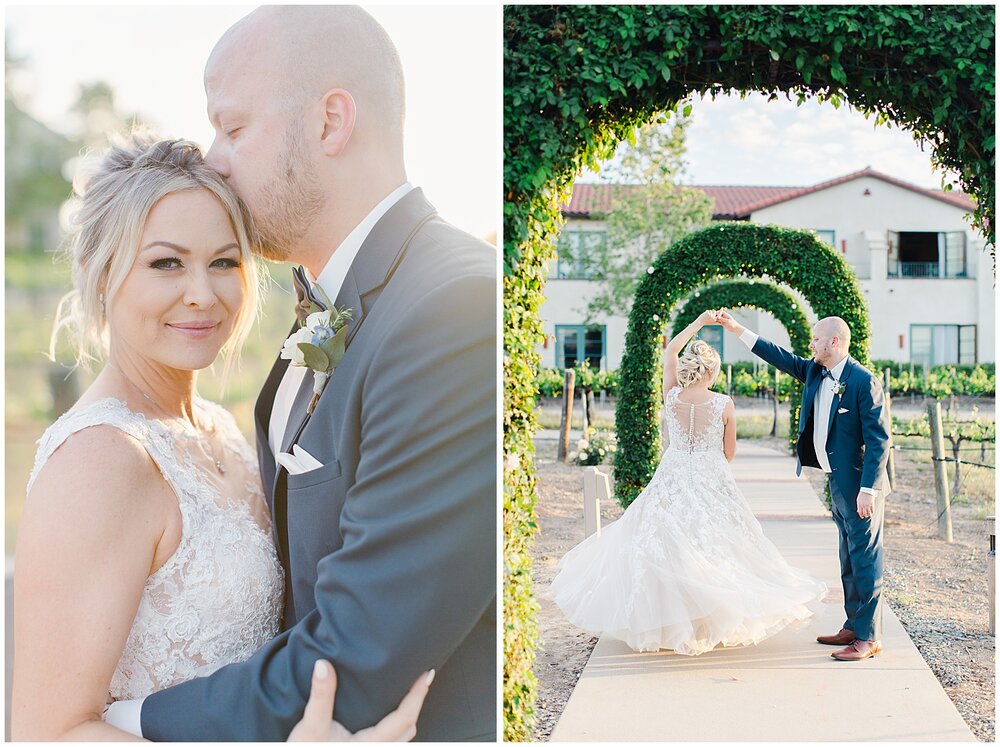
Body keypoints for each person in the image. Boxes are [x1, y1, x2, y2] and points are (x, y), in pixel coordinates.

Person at [103, 6, 496, 741]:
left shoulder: (456, 307)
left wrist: (126, 720)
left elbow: (359, 649)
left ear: (330, 122)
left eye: (235, 126)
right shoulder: (332, 301)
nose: (214, 158)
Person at [11, 135, 430, 740]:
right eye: (165, 263)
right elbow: (48, 734)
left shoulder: (222, 428)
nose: (202, 295)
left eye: (224, 262)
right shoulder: (99, 460)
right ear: (103, 274)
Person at [551, 310, 826, 655]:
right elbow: (729, 452)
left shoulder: (671, 397)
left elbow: (669, 354)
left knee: (667, 542)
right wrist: (710, 467)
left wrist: (698, 322)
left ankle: (670, 622)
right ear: (712, 371)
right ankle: (708, 620)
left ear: (688, 367)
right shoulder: (724, 404)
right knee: (717, 542)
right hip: (712, 473)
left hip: (673, 471)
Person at [716, 310, 891, 661]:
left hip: (860, 487)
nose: (810, 345)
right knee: (847, 557)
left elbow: (879, 440)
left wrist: (867, 490)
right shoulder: (815, 370)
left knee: (865, 558)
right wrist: (737, 329)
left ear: (834, 342)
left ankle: (869, 638)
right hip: (836, 481)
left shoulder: (862, 380)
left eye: (815, 339)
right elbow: (777, 355)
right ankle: (853, 625)